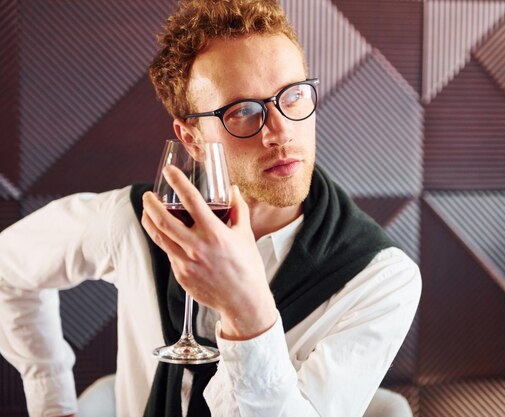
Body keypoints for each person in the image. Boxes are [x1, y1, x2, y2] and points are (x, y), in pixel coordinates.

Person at [0, 1, 421, 416]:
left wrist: (246, 310)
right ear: (191, 139)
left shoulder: (380, 277)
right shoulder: (136, 224)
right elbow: (7, 266)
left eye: (292, 96)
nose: (280, 131)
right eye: (242, 111)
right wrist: (51, 401)